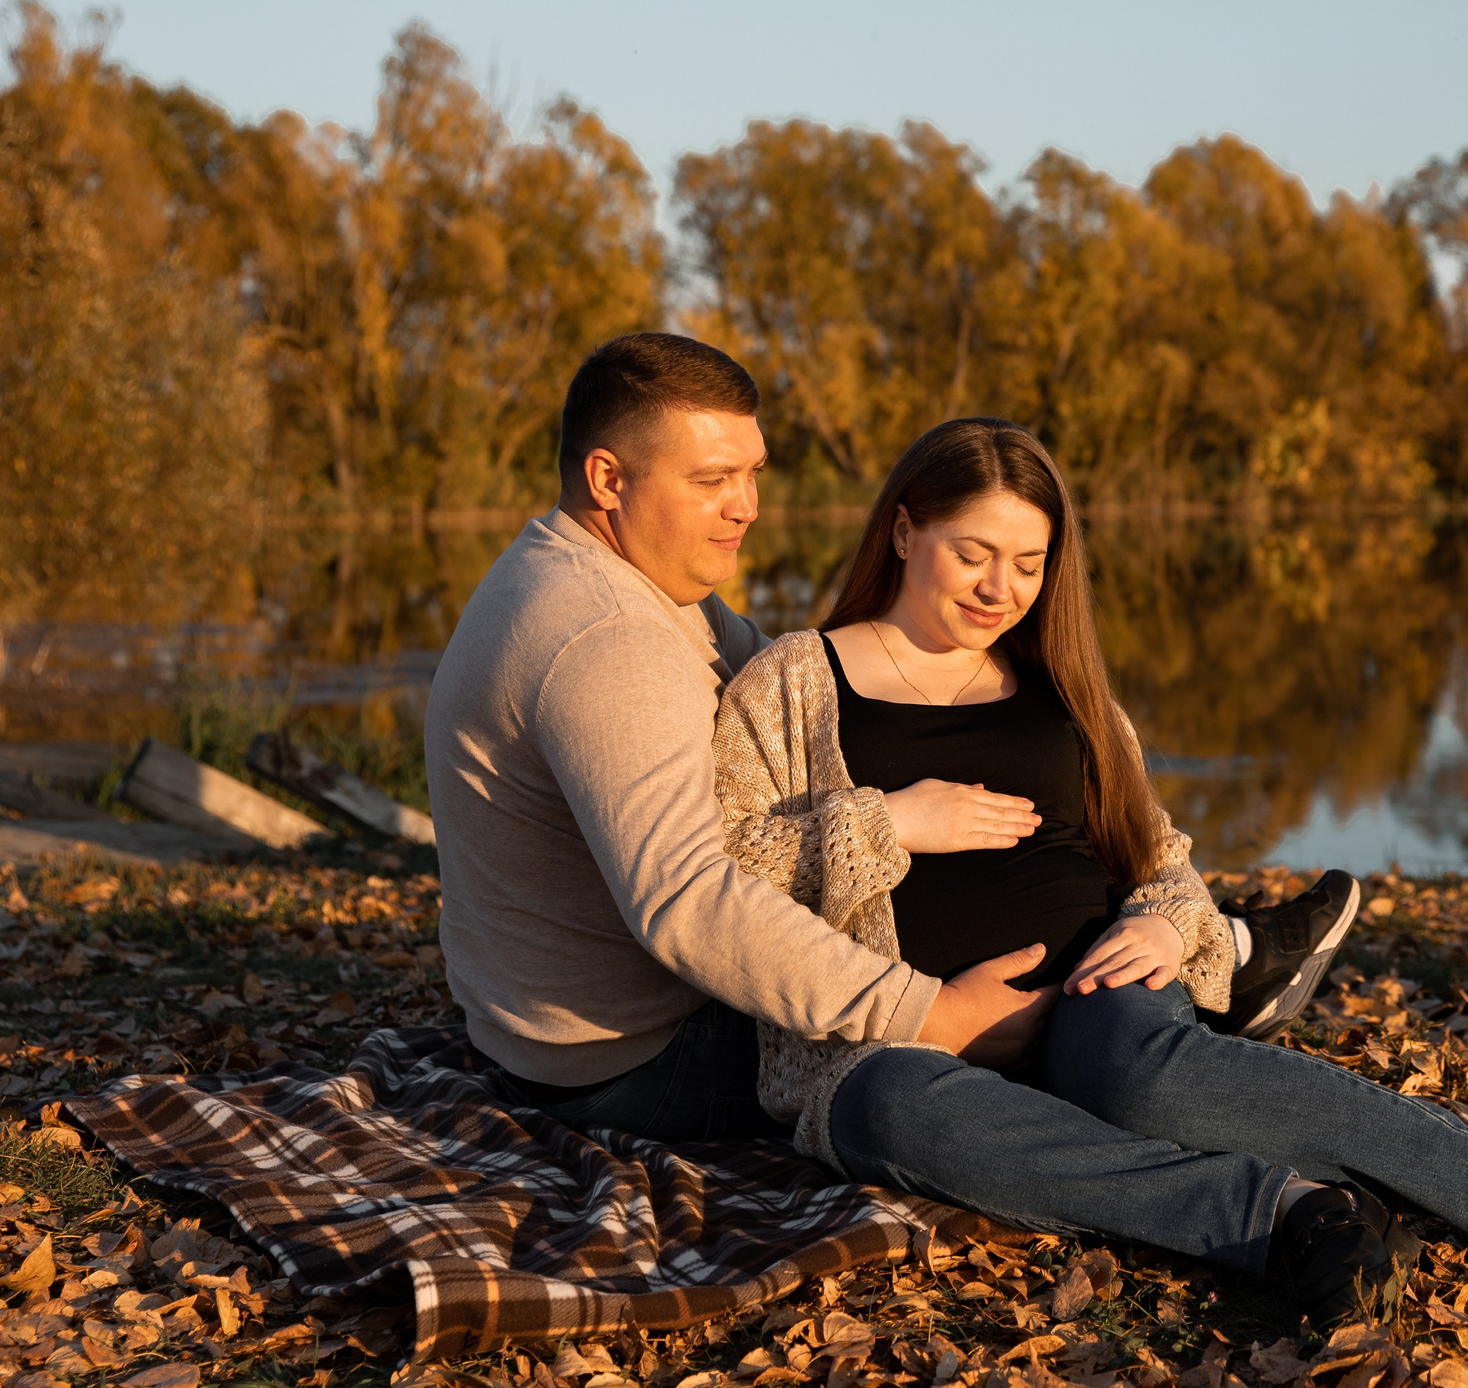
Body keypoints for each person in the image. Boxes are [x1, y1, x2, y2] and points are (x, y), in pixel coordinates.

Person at [713, 418, 1468, 1324]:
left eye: (1028, 563)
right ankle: (1285, 1212)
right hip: (902, 1032)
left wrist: (1162, 922)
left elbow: (1159, 859)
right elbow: (720, 878)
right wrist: (887, 822)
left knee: (1142, 1078)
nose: (998, 588)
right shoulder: (796, 679)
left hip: (1099, 989)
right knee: (887, 1111)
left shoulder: (1062, 687)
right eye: (972, 553)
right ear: (902, 531)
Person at [428, 334, 1347, 1146]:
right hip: (642, 1051)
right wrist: (930, 1012)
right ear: (608, 478)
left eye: (753, 473)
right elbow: (692, 902)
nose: (747, 506)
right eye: (712, 480)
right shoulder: (608, 638)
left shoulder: (596, 576)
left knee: (1082, 1000)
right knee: (963, 1062)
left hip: (554, 1024)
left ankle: (1210, 950)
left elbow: (792, 688)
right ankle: (1221, 977)